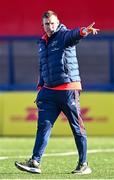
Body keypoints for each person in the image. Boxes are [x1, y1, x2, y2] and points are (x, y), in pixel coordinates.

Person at [15, 10, 99, 174]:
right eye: (47, 24)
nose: (50, 26)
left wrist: (83, 31)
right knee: (43, 127)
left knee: (77, 128)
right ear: (43, 25)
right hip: (48, 92)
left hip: (68, 90)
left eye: (52, 23)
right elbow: (42, 67)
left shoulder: (63, 35)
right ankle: (35, 162)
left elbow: (74, 34)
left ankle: (83, 164)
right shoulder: (41, 43)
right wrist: (40, 87)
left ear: (58, 23)